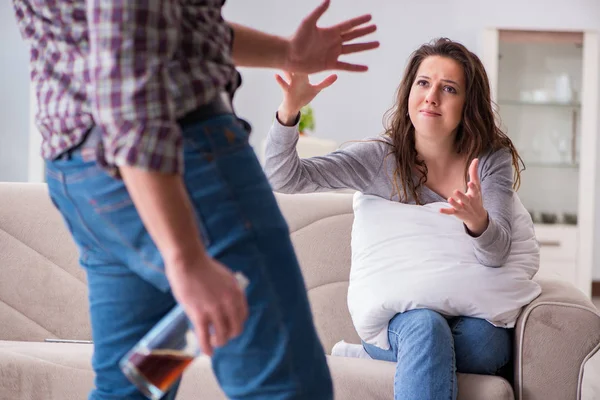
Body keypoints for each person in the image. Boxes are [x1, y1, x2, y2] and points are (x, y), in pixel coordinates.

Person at [11, 0, 380, 399]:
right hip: (181, 170)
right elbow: (128, 57)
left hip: (88, 182)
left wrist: (285, 53)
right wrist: (184, 255)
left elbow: (164, 31)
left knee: (136, 383)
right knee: (283, 385)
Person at [264, 37, 524, 400]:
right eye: (423, 83)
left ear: (468, 105)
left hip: (468, 319)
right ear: (409, 93)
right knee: (426, 328)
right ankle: (409, 349)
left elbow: (496, 254)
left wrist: (478, 221)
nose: (432, 96)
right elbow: (283, 178)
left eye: (448, 88)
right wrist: (289, 110)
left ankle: (390, 357)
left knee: (487, 345)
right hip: (406, 319)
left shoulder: (487, 161)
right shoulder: (379, 159)